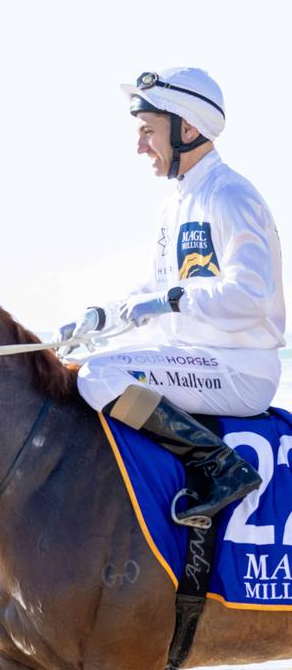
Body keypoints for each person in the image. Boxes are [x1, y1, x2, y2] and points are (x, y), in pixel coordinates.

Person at [58, 67, 285, 528]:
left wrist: (171, 302)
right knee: (88, 365)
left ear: (189, 128)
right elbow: (158, 289)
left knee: (99, 378)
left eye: (148, 131)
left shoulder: (231, 196)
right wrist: (102, 317)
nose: (140, 146)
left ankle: (218, 466)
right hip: (195, 357)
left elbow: (252, 297)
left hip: (240, 367)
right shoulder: (177, 202)